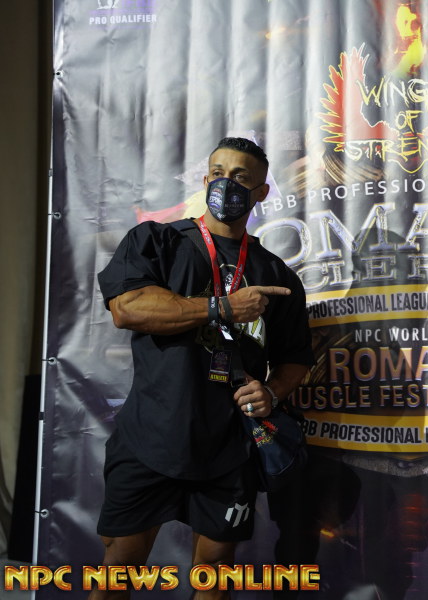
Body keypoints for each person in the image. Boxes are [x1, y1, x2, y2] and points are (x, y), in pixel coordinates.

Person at [94, 137, 314, 599]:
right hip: (150, 438)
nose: (225, 184)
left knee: (213, 574)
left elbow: (296, 359)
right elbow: (127, 309)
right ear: (205, 179)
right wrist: (223, 307)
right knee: (119, 569)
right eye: (217, 173)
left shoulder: (276, 274)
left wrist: (271, 393)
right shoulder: (158, 241)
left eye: (240, 177)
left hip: (229, 448)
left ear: (261, 192)